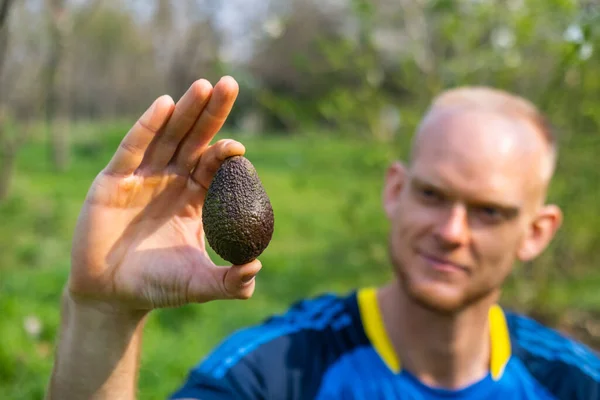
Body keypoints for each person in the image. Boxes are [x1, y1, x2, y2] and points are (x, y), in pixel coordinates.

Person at [45, 75, 600, 400]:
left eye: (489, 212)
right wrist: (103, 314)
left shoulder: (576, 383)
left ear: (537, 232)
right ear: (394, 190)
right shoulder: (271, 373)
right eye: (432, 195)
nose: (451, 232)